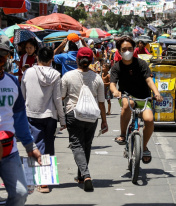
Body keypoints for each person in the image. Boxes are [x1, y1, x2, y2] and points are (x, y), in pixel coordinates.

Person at [0, 35, 42, 205]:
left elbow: (19, 118)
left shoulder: (11, 83)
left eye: (2, 55)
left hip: (9, 150)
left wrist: (30, 146)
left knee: (20, 194)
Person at [110, 36, 163, 164]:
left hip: (144, 97)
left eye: (129, 48)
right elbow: (112, 84)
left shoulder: (142, 64)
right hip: (126, 97)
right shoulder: (116, 67)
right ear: (119, 51)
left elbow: (149, 80)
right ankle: (123, 134)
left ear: (134, 49)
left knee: (149, 120)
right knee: (129, 103)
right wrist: (115, 91)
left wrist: (156, 93)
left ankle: (144, 146)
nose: (127, 51)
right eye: (124, 49)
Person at [62, 47, 108, 192]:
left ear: (77, 59)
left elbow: (61, 97)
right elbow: (101, 102)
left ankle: (86, 175)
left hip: (73, 114)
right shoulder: (97, 78)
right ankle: (81, 176)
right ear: (91, 61)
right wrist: (104, 121)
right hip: (91, 117)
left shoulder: (68, 76)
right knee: (86, 145)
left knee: (76, 145)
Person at [21, 47, 66, 193]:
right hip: (50, 116)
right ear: (51, 59)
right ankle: (44, 180)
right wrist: (62, 119)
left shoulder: (28, 72)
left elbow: (23, 94)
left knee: (36, 146)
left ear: (37, 57)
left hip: (32, 113)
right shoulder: (55, 74)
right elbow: (58, 99)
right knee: (48, 145)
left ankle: (39, 180)